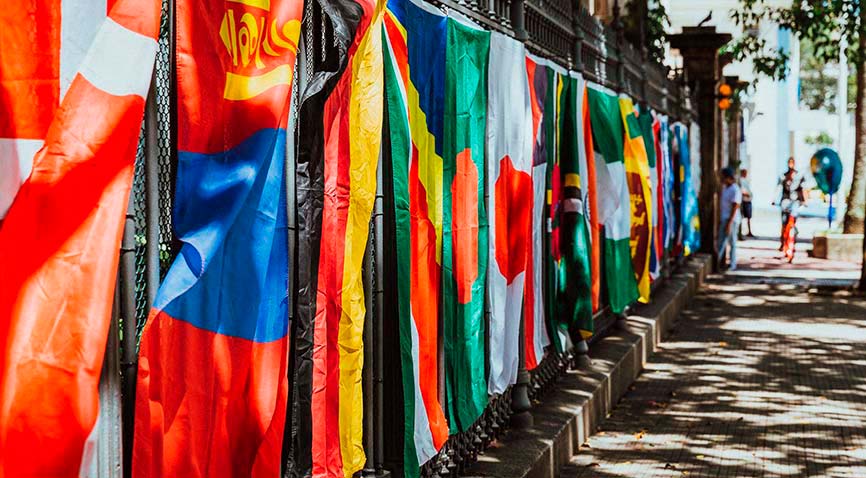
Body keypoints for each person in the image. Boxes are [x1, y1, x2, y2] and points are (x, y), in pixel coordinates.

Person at [774, 157, 805, 251]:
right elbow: (778, 188)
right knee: (784, 222)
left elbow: (802, 189)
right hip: (785, 201)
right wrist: (774, 199)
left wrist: (803, 200)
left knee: (793, 221)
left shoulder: (798, 176)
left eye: (792, 163)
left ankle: (793, 241)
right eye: (789, 163)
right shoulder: (783, 176)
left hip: (795, 201)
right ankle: (783, 242)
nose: (790, 165)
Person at [718, 167, 742, 271]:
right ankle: (719, 263)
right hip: (725, 218)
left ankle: (732, 265)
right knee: (721, 241)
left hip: (731, 219)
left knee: (731, 242)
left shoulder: (735, 189)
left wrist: (729, 223)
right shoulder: (725, 188)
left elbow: (735, 206)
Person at [739, 168, 754, 238]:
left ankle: (749, 231)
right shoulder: (741, 180)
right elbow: (741, 190)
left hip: (748, 200)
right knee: (743, 217)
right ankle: (742, 232)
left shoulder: (745, 180)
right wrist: (747, 194)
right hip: (745, 201)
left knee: (748, 217)